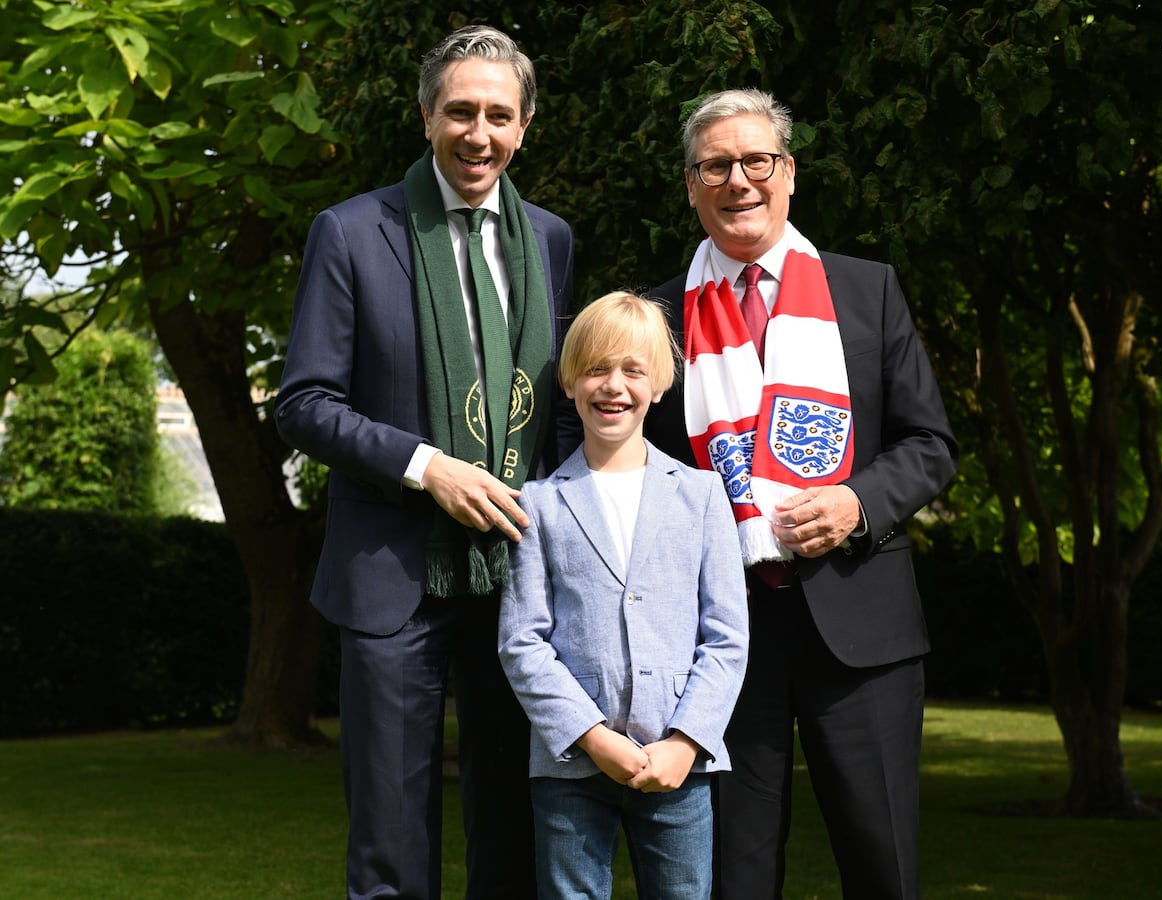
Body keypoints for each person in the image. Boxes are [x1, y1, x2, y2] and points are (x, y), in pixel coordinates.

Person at [274, 25, 575, 900]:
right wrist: (426, 467)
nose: (478, 134)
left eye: (498, 115)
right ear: (424, 116)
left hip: (517, 574)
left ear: (525, 127)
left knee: (516, 828)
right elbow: (305, 403)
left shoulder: (551, 241)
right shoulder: (352, 231)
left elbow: (551, 408)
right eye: (459, 112)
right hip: (392, 575)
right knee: (391, 847)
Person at [641, 89, 958, 899]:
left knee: (882, 867)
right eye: (717, 165)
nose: (738, 180)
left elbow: (930, 444)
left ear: (789, 173)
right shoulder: (657, 318)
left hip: (863, 629)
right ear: (691, 184)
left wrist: (857, 502)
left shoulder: (867, 290)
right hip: (721, 640)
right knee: (733, 876)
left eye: (757, 161)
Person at [498, 291, 750, 899]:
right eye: (596, 369)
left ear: (659, 385)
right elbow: (521, 641)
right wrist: (593, 736)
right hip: (571, 763)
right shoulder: (537, 504)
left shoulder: (702, 495)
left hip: (677, 766)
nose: (614, 386)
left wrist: (687, 741)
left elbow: (727, 637)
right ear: (569, 382)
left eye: (633, 370)